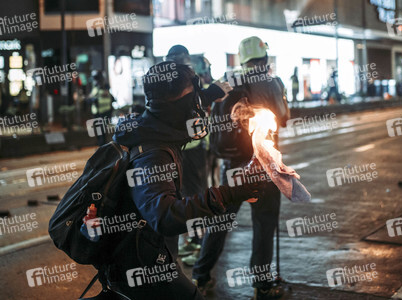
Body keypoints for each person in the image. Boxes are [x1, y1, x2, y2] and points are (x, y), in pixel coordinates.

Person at [102, 62, 262, 300]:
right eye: (193, 98)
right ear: (178, 104)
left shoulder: (155, 125)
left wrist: (209, 94)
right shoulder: (153, 153)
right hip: (144, 267)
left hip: (148, 255)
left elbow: (183, 107)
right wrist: (229, 194)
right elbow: (165, 216)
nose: (198, 105)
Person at [192, 36, 290, 300]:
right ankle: (261, 286)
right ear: (264, 57)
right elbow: (283, 118)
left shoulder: (228, 79)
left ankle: (200, 277)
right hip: (264, 165)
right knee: (264, 224)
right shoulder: (272, 82)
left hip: (233, 165)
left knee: (220, 221)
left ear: (242, 58)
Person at [165, 45, 232, 265]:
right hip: (186, 149)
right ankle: (193, 240)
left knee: (190, 196)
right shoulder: (185, 81)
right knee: (186, 197)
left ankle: (196, 240)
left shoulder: (173, 81)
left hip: (189, 150)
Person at [88, 71, 114, 146]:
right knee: (98, 130)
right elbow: (91, 97)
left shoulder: (105, 87)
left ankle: (103, 145)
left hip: (104, 112)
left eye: (96, 79)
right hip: (97, 112)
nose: (95, 81)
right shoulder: (95, 88)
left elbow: (108, 98)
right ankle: (101, 145)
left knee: (102, 130)